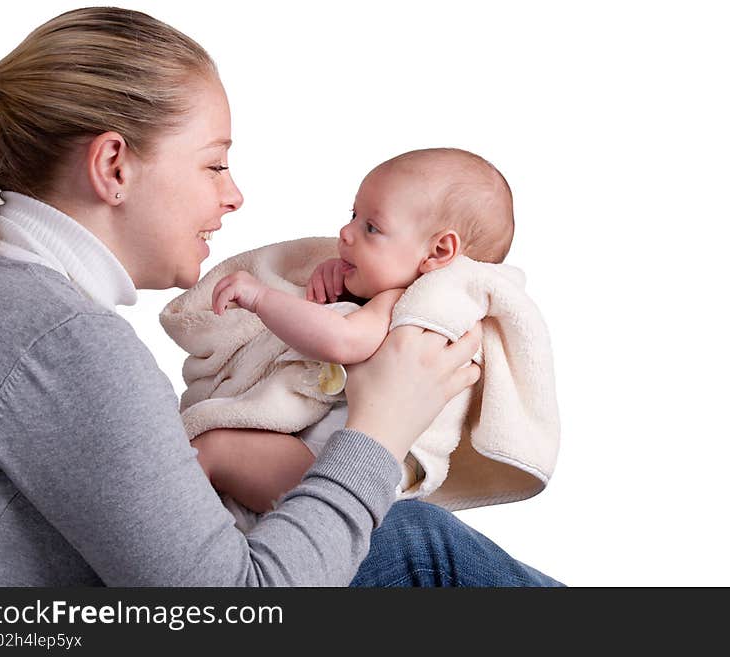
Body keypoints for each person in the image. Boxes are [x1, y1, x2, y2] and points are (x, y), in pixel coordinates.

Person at [0, 6, 562, 587]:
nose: (234, 196)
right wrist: (381, 430)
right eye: (215, 164)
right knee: (416, 543)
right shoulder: (68, 345)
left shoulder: (5, 303)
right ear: (114, 166)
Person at [194, 147, 517, 513]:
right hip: (327, 463)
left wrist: (260, 298)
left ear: (440, 250)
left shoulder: (409, 307)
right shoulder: (395, 299)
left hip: (331, 470)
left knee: (207, 449)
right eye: (353, 215)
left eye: (371, 227)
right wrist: (345, 284)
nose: (346, 232)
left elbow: (341, 340)